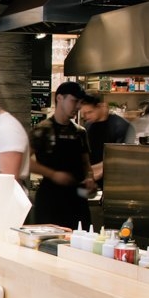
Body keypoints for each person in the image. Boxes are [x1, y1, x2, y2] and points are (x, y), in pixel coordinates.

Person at [29, 81, 96, 228]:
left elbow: (86, 163)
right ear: (59, 98)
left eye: (80, 102)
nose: (78, 106)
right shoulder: (42, 130)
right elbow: (22, 160)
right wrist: (53, 174)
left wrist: (90, 178)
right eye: (74, 101)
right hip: (51, 200)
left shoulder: (80, 132)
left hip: (77, 200)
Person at [79, 93, 131, 187]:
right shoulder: (88, 126)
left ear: (101, 106)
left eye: (89, 112)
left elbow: (117, 159)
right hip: (92, 183)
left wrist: (92, 174)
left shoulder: (122, 126)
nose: (86, 117)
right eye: (84, 114)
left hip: (114, 182)